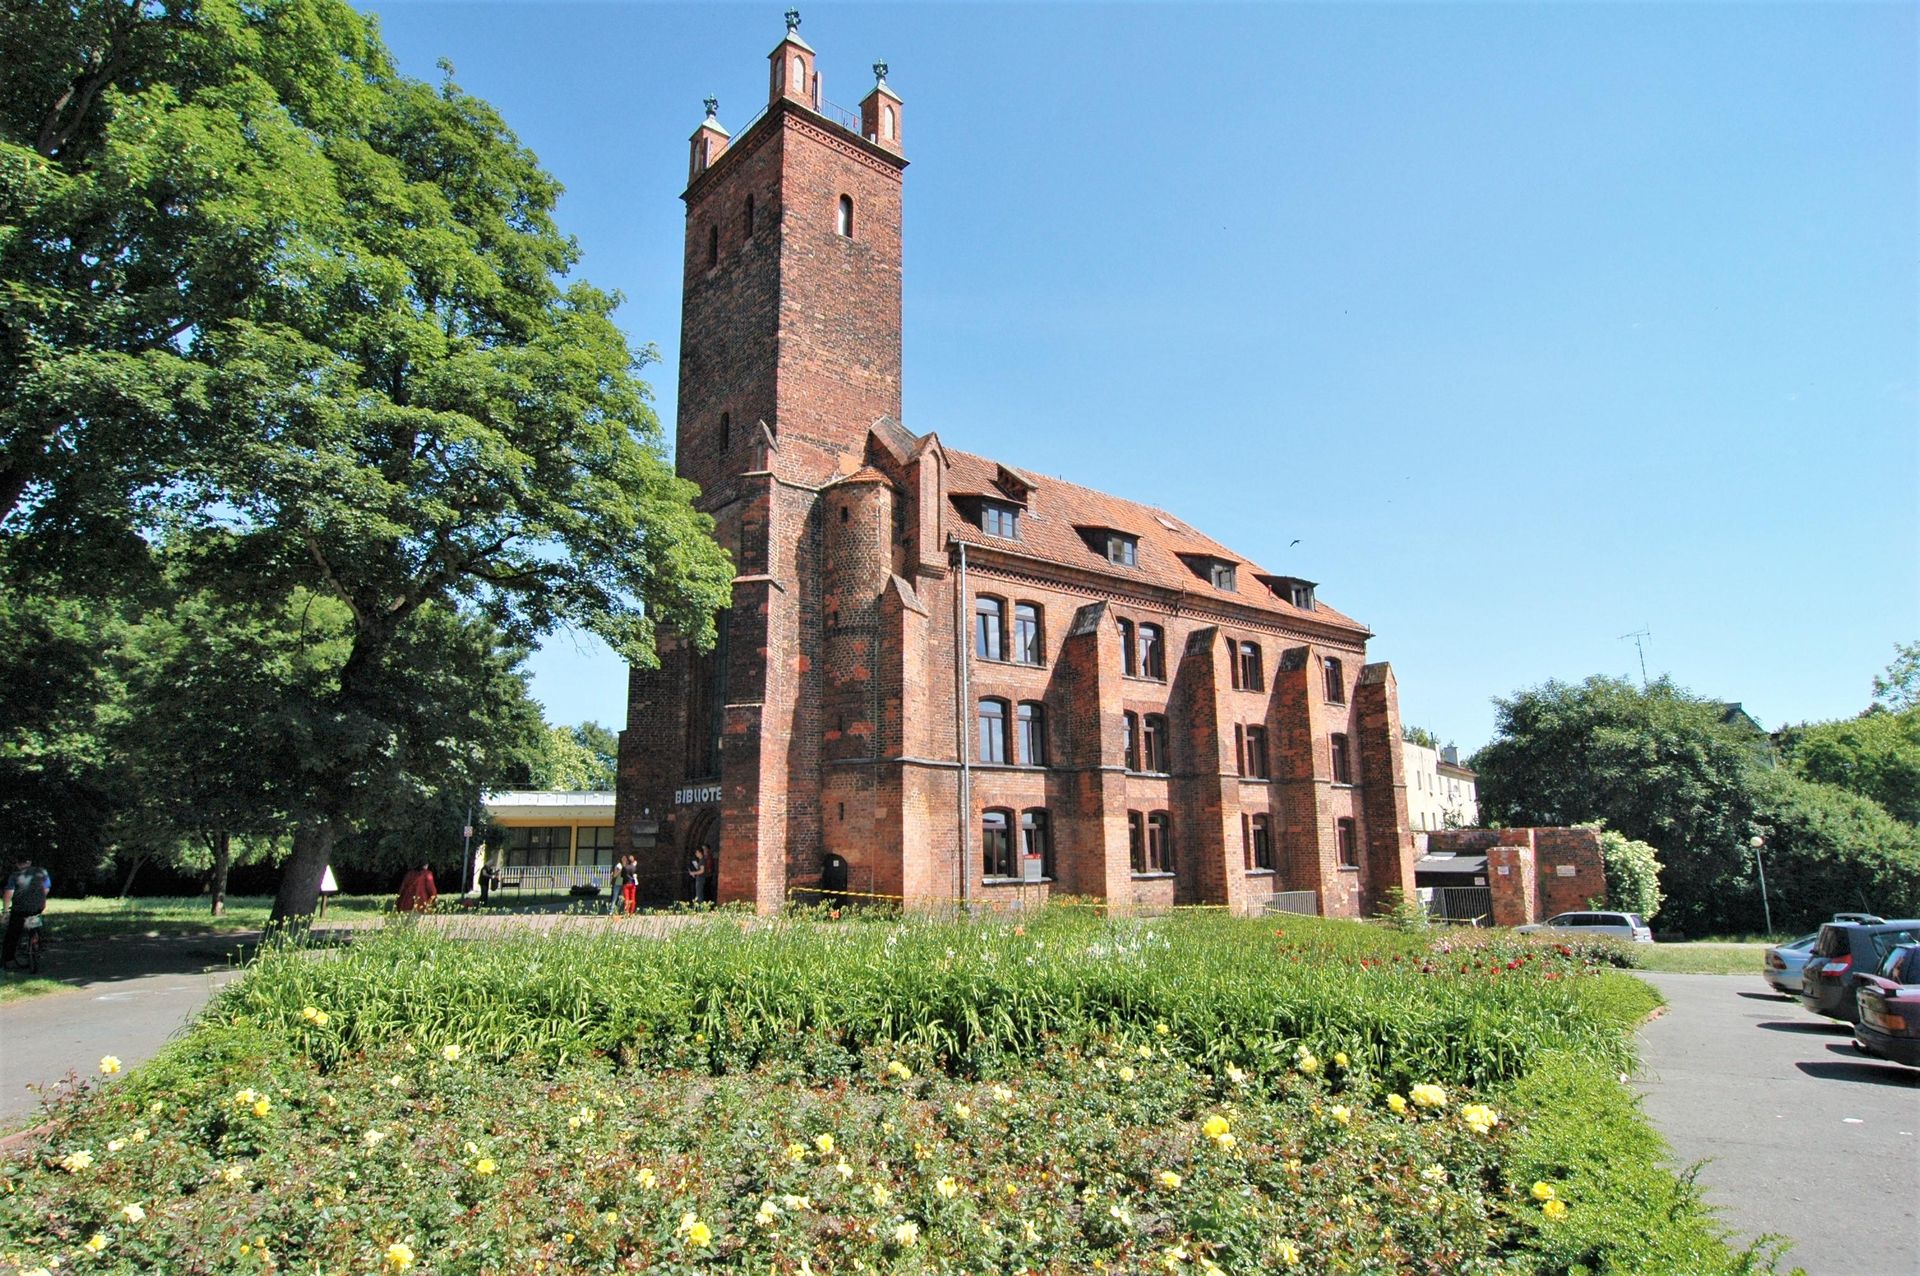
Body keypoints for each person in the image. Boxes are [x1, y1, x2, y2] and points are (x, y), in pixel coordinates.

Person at [3, 856, 52, 967]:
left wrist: (5, 911)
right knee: (34, 922)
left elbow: (8, 893)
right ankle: (36, 943)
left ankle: (8, 959)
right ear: (29, 862)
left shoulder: (15, 876)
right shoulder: (42, 872)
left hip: (19, 909)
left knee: (13, 933)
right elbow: (46, 888)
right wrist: (40, 900)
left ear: (17, 864)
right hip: (37, 907)